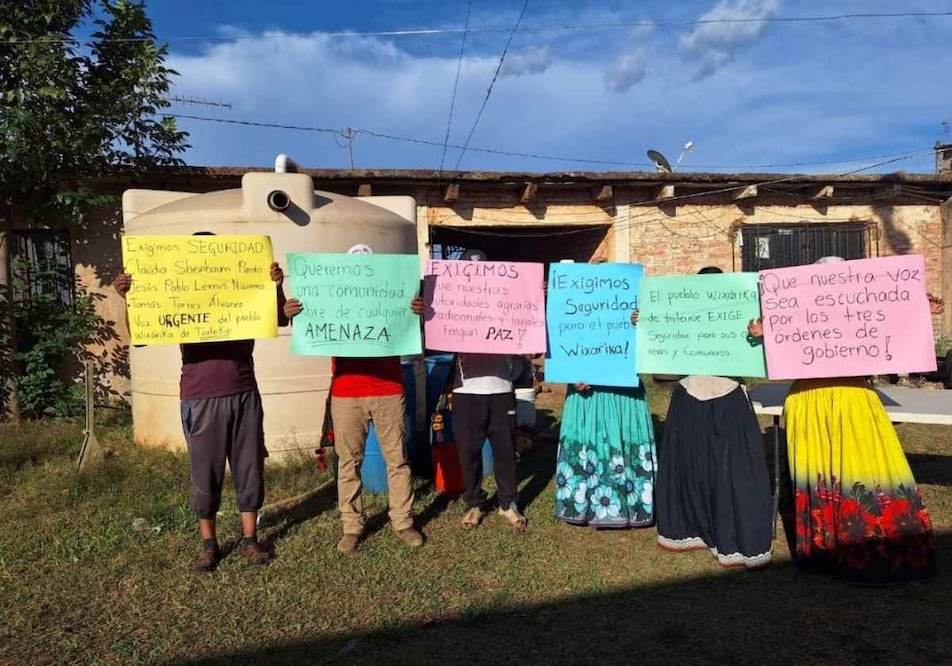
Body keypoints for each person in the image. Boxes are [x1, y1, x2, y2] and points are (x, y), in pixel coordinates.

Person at [748, 256, 941, 584]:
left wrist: (917, 304)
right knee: (819, 470)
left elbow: (900, 318)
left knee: (866, 465)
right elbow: (767, 336)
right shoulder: (792, 307)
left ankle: (876, 547)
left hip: (850, 396)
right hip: (811, 399)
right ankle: (830, 548)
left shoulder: (866, 303)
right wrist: (760, 328)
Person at [113, 237, 285, 574]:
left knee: (250, 468)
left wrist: (274, 286)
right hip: (199, 396)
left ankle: (251, 540)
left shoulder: (240, 287)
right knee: (204, 472)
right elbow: (143, 333)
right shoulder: (176, 296)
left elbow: (276, 319)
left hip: (243, 392)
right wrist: (129, 297)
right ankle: (209, 545)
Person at [283, 244, 425, 553]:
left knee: (398, 460)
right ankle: (352, 525)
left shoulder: (395, 294)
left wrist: (419, 311)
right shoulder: (330, 296)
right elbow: (311, 325)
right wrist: (293, 313)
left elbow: (417, 326)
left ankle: (403, 521)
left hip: (389, 389)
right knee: (348, 462)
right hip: (347, 392)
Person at [655, 266, 772, 569]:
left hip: (728, 391)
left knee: (732, 467)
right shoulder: (682, 314)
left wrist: (762, 333)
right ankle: (690, 525)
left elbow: (767, 353)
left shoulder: (746, 316)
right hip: (690, 391)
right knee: (689, 463)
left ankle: (732, 532)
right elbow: (659, 364)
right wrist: (646, 324)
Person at [554, 309, 656, 528]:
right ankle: (583, 503)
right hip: (584, 387)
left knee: (622, 434)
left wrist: (645, 320)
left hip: (624, 384)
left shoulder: (634, 287)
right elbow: (560, 329)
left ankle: (632, 502)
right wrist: (569, 372)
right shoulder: (569, 284)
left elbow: (656, 337)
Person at [451, 248, 528, 531]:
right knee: (468, 452)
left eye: (481, 270)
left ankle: (509, 503)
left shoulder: (508, 300)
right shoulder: (451, 304)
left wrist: (536, 295)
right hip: (466, 390)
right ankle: (474, 503)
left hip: (501, 387)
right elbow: (432, 335)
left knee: (506, 450)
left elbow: (528, 327)